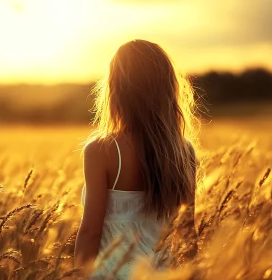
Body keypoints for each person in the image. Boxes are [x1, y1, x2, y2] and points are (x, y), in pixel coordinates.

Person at [74, 39, 199, 279]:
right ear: (168, 89)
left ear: (115, 90)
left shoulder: (102, 151)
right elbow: (188, 233)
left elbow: (90, 231)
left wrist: (78, 275)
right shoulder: (184, 151)